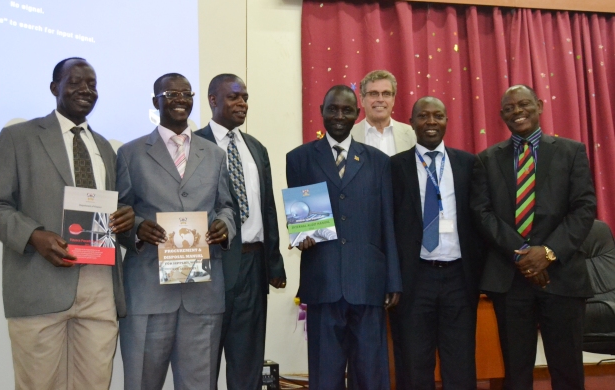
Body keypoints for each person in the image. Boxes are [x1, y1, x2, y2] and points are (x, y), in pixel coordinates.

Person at [0, 57, 134, 389]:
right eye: (76, 81)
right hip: (40, 280)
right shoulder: (18, 138)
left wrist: (125, 216)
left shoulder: (104, 146)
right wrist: (34, 235)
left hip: (99, 284)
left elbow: (110, 205)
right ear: (55, 88)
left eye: (92, 84)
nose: (86, 89)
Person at [471, 85, 596, 389]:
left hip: (562, 277)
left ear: (539, 106)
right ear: (502, 115)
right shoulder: (486, 159)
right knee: (516, 371)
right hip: (510, 279)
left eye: (524, 104)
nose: (518, 112)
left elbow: (584, 207)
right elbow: (482, 213)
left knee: (567, 368)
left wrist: (549, 252)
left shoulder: (571, 151)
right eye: (510, 108)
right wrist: (525, 254)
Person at [116, 72, 235, 389]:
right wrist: (139, 229)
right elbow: (118, 213)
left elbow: (227, 206)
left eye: (186, 93)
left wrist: (226, 225)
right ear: (155, 101)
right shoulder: (130, 153)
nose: (180, 99)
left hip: (202, 294)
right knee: (142, 382)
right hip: (148, 292)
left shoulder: (214, 154)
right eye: (171, 94)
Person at [286, 85, 401, 390]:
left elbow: (387, 223)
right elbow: (300, 217)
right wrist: (301, 237)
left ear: (357, 114)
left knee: (371, 375)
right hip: (322, 281)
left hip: (368, 282)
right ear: (321, 111)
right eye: (332, 109)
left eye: (347, 110)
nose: (339, 116)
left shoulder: (378, 161)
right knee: (325, 375)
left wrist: (393, 281)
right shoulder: (298, 158)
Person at [195, 74, 286, 389]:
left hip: (253, 266)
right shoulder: (194, 145)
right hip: (212, 266)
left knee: (247, 361)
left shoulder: (256, 148)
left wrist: (273, 264)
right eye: (234, 97)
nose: (242, 104)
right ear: (213, 100)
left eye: (245, 97)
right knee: (203, 360)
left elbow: (268, 208)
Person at [389, 97, 482, 389]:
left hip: (459, 277)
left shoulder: (468, 163)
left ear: (446, 121)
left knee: (461, 360)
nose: (431, 122)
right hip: (415, 278)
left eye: (438, 116)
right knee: (415, 362)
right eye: (424, 116)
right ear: (412, 122)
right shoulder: (393, 167)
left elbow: (480, 219)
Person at [350, 70, 416, 155]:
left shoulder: (412, 135)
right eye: (373, 94)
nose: (380, 99)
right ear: (362, 99)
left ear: (393, 100)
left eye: (386, 94)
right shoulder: (349, 136)